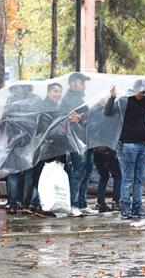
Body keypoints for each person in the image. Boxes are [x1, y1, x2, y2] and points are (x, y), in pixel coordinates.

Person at [104, 79, 145, 219]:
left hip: (143, 145)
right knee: (128, 179)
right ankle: (125, 209)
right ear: (134, 89)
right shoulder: (125, 101)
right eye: (140, 92)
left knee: (139, 179)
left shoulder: (144, 101)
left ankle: (137, 208)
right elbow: (108, 113)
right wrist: (112, 97)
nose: (142, 95)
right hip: (129, 145)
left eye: (144, 92)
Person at [0, 84, 43, 215]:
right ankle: (24, 203)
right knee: (27, 174)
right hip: (29, 142)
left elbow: (3, 122)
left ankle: (13, 204)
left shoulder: (11, 101)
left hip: (14, 142)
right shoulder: (36, 100)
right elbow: (39, 121)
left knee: (14, 174)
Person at [60, 72, 98, 217]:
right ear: (71, 83)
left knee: (87, 173)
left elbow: (88, 119)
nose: (80, 85)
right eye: (77, 82)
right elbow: (65, 119)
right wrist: (74, 119)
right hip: (76, 143)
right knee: (77, 174)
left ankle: (82, 204)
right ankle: (73, 205)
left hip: (87, 141)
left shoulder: (82, 100)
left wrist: (83, 118)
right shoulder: (68, 100)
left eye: (82, 83)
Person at [24, 82, 64, 217]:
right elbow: (46, 129)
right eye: (55, 91)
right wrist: (60, 130)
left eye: (59, 92)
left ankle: (33, 205)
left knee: (42, 177)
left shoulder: (53, 107)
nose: (58, 94)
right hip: (46, 148)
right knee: (44, 178)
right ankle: (39, 206)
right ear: (48, 92)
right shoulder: (46, 108)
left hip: (48, 148)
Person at [93, 146, 122, 212]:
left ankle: (100, 203)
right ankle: (116, 202)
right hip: (107, 151)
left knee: (104, 177)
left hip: (96, 153)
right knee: (118, 176)